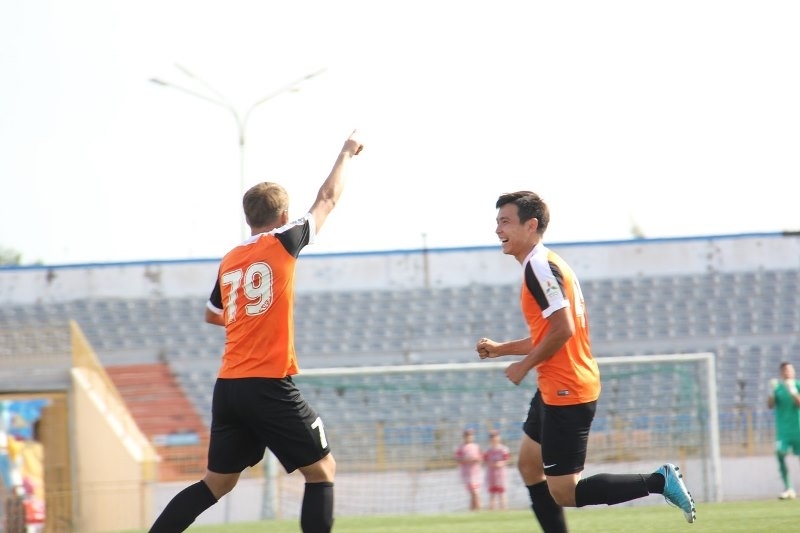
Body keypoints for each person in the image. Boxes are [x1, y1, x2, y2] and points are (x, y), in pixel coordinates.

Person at [148, 130, 364, 533]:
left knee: (216, 483)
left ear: (248, 219)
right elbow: (327, 199)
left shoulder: (231, 258)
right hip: (266, 383)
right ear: (283, 217)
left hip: (229, 386)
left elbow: (212, 314)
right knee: (322, 470)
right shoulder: (284, 240)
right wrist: (346, 153)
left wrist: (247, 319)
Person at [475, 191, 696, 532]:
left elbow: (563, 330)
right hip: (554, 384)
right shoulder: (545, 263)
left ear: (530, 225)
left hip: (567, 388)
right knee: (529, 465)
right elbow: (551, 332)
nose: (497, 230)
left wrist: (524, 365)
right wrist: (503, 349)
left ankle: (659, 480)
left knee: (565, 491)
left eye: (505, 222)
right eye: (497, 222)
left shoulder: (539, 267)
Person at [768, 361, 800, 500]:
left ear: (793, 372)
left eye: (790, 370)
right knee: (780, 454)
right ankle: (789, 488)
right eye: (785, 370)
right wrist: (771, 393)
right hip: (783, 431)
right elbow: (770, 405)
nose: (788, 372)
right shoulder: (778, 388)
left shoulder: (798, 385)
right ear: (781, 373)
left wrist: (793, 391)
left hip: (798, 429)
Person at [454, 428, 483, 511]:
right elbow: (457, 459)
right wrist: (466, 460)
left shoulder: (476, 446)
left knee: (475, 492)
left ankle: (474, 510)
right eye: (467, 435)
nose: (469, 437)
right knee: (474, 492)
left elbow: (481, 458)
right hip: (466, 474)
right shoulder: (460, 447)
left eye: (471, 435)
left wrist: (476, 459)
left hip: (476, 473)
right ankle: (477, 509)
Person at [483, 429, 511, 510]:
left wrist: (500, 463)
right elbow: (485, 460)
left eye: (495, 436)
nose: (494, 438)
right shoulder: (488, 450)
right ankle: (492, 510)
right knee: (492, 493)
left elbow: (507, 460)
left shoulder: (503, 449)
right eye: (492, 436)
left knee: (502, 492)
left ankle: (504, 509)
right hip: (491, 474)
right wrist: (491, 464)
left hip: (501, 474)